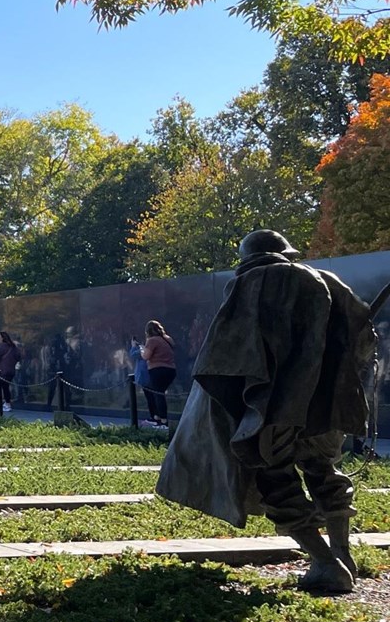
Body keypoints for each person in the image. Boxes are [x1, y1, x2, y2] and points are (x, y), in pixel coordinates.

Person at [158, 229, 377, 595]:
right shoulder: (330, 282)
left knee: (274, 477)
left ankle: (325, 562)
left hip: (276, 404)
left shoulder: (254, 282)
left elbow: (227, 353)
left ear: (249, 259)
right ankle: (343, 553)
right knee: (324, 471)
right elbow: (365, 339)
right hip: (325, 404)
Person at [141, 320, 177, 426]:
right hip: (170, 369)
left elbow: (146, 356)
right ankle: (156, 416)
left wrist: (142, 350)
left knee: (157, 393)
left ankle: (162, 420)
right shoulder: (167, 339)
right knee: (150, 389)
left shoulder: (152, 341)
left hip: (158, 370)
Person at [0, 331, 20, 414]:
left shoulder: (0, 346)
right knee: (6, 387)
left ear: (3, 338)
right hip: (11, 371)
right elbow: (18, 357)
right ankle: (7, 403)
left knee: (0, 388)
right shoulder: (13, 346)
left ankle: (4, 405)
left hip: (1, 371)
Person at [127, 334, 151, 425]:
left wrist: (133, 346)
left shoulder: (143, 350)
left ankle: (154, 417)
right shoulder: (145, 349)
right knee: (150, 397)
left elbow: (133, 355)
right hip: (146, 375)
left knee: (150, 398)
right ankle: (154, 417)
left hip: (144, 376)